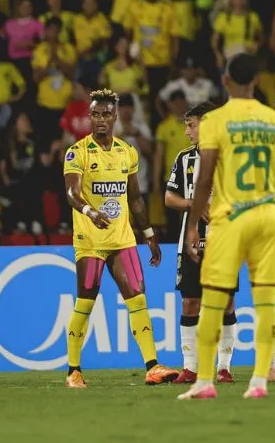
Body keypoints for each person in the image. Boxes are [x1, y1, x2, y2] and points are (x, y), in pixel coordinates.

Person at [178, 54, 275, 401]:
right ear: (257, 81)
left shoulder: (215, 121)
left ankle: (204, 381)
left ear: (226, 80)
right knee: (266, 303)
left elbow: (203, 180)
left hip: (228, 218)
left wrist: (192, 227)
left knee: (214, 301)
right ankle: (259, 381)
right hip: (267, 217)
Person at [62, 88, 177, 388]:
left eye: (106, 114)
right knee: (85, 302)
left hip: (123, 239)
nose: (101, 119)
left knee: (138, 298)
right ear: (90, 116)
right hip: (90, 240)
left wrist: (149, 234)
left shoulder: (127, 152)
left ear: (115, 117)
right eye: (95, 114)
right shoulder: (77, 152)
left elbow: (135, 198)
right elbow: (72, 193)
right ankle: (73, 371)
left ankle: (152, 366)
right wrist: (90, 211)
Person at [165, 102, 241, 385]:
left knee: (226, 303)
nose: (187, 132)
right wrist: (192, 204)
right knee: (190, 303)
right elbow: (169, 198)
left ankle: (224, 368)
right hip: (190, 243)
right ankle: (190, 368)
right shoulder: (184, 158)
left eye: (191, 125)